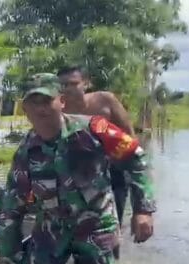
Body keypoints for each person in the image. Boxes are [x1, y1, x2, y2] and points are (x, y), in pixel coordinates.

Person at [0, 73, 155, 264]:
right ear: (25, 110)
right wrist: (3, 261)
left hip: (96, 226)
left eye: (47, 100)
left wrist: (143, 210)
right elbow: (13, 209)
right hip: (52, 227)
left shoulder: (95, 130)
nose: (41, 108)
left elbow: (136, 158)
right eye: (33, 102)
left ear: (62, 102)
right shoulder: (25, 153)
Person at [57, 67, 137, 252]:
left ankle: (111, 260)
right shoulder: (59, 108)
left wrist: (133, 174)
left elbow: (130, 135)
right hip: (79, 171)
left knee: (110, 222)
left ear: (86, 83)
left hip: (113, 170)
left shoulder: (104, 101)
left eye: (73, 83)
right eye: (63, 85)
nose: (68, 89)